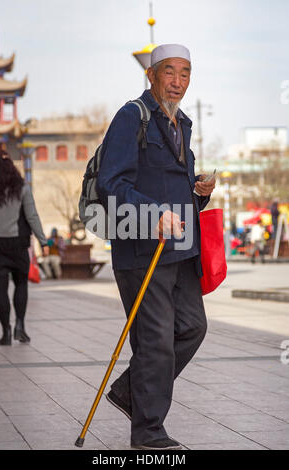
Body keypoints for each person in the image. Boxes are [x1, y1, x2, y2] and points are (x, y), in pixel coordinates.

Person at [96, 44, 215, 450]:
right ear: (152, 76)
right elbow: (111, 184)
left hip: (181, 251)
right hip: (141, 250)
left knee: (193, 328)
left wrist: (199, 193)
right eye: (170, 72)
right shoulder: (132, 116)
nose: (178, 81)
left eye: (185, 73)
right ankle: (148, 432)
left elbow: (175, 189)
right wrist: (154, 214)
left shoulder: (182, 123)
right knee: (155, 340)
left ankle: (131, 391)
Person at [0, 150, 49, 345]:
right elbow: (32, 216)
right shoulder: (23, 188)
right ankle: (20, 327)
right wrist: (43, 241)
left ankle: (6, 332)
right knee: (21, 284)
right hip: (18, 244)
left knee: (0, 288)